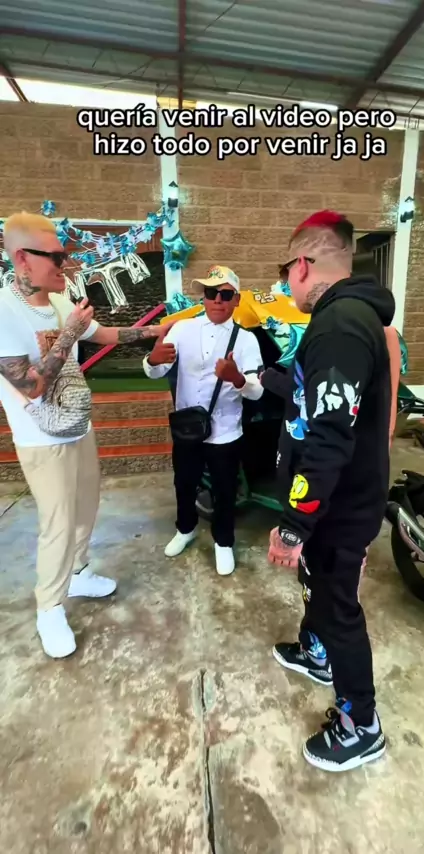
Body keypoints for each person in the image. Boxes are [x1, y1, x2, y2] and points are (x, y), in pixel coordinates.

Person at [0, 212, 174, 659]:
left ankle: (77, 574)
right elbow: (32, 386)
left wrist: (157, 329)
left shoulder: (60, 301)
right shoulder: (4, 311)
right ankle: (49, 607)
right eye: (56, 256)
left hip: (79, 426)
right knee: (57, 523)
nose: (66, 264)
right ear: (22, 258)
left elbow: (108, 334)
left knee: (86, 507)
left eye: (66, 254)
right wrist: (68, 335)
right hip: (42, 439)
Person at [267, 210, 395, 772]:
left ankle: (360, 725)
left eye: (284, 272)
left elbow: (329, 438)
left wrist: (295, 524)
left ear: (301, 265)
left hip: (338, 507)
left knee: (339, 610)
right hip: (336, 500)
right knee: (321, 594)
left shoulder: (339, 325)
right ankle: (316, 654)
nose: (285, 284)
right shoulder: (345, 319)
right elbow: (315, 402)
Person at [143, 265, 263, 576]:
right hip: (187, 428)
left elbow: (257, 391)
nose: (217, 300)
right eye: (211, 293)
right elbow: (156, 370)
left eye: (225, 294)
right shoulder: (183, 329)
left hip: (225, 431)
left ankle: (223, 542)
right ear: (204, 298)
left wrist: (237, 378)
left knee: (225, 490)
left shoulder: (246, 340)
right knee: (184, 483)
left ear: (236, 300)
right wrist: (152, 360)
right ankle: (185, 529)